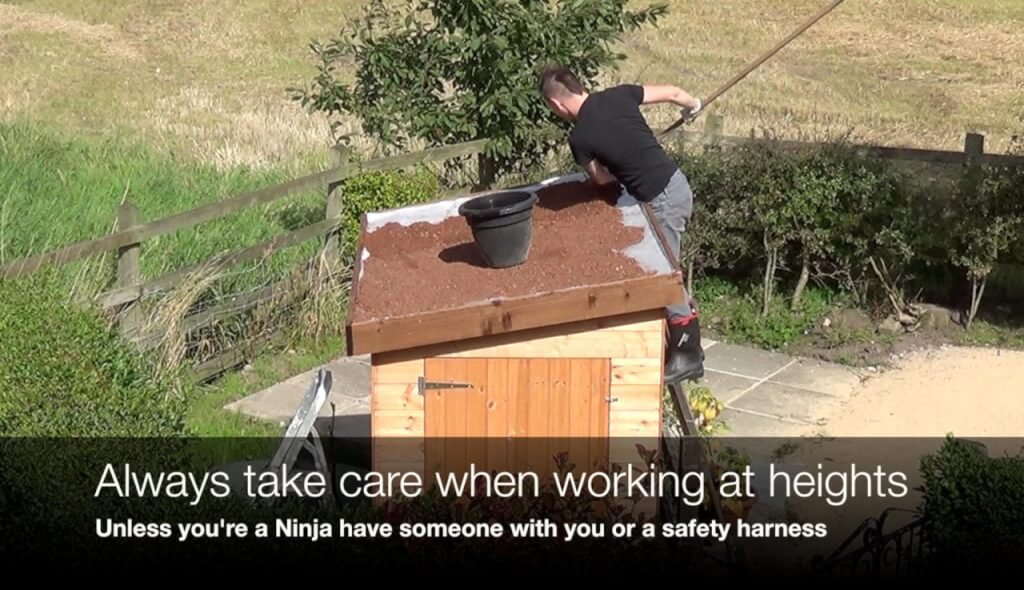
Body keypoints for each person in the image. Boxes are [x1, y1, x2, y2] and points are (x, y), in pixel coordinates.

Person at [538, 64, 705, 382]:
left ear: (556, 104)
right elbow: (672, 92)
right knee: (665, 270)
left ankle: (688, 355)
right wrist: (692, 107)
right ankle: (685, 343)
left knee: (662, 276)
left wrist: (619, 166)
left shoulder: (581, 137)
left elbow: (601, 180)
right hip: (676, 185)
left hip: (663, 201)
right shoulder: (619, 95)